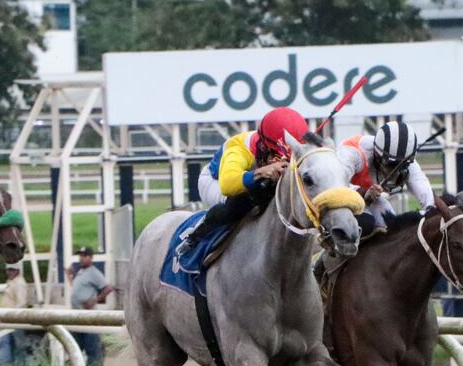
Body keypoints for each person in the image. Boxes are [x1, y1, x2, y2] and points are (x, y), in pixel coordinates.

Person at [178, 107, 309, 255]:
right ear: (263, 145)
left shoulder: (280, 144)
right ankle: (195, 236)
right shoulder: (239, 148)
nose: (280, 158)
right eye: (274, 153)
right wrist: (261, 172)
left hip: (248, 180)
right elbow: (228, 185)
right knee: (241, 203)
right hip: (214, 181)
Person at [338, 121, 435, 232]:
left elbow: (418, 181)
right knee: (365, 223)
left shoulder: (402, 156)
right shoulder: (352, 154)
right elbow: (337, 186)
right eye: (391, 165)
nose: (396, 172)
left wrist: (430, 208)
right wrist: (364, 192)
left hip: (370, 198)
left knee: (392, 228)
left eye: (403, 166)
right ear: (377, 155)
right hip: (339, 196)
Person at [66, 247, 114, 366]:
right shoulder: (81, 272)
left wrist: (94, 300)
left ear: (90, 258)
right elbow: (78, 289)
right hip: (77, 316)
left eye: (84, 256)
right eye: (81, 256)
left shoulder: (94, 273)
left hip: (88, 317)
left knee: (91, 346)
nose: (81, 258)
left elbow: (108, 288)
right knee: (75, 346)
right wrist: (69, 276)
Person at [0, 262, 31, 366]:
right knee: (6, 343)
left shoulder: (19, 283)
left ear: (17, 270)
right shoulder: (12, 282)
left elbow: (21, 302)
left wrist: (12, 316)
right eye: (8, 269)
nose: (9, 272)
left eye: (12, 270)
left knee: (17, 344)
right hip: (8, 318)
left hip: (14, 318)